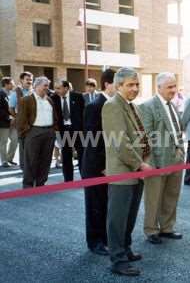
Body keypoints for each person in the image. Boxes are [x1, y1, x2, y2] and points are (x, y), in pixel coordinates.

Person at [102, 68, 152, 277]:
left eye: (137, 84)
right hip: (123, 171)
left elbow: (141, 137)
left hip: (136, 170)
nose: (134, 88)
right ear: (118, 85)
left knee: (130, 216)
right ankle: (118, 260)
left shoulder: (132, 106)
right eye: (130, 85)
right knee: (118, 218)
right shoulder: (112, 106)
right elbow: (119, 142)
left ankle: (126, 248)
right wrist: (140, 165)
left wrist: (144, 162)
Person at [139, 72, 185, 244]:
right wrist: (151, 162)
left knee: (171, 195)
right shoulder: (148, 106)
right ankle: (151, 230)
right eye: (169, 87)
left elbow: (177, 130)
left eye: (174, 86)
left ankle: (167, 227)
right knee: (154, 197)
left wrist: (180, 150)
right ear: (158, 87)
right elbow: (146, 136)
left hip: (176, 159)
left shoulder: (172, 105)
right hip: (157, 161)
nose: (173, 90)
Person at [81, 69, 116, 256]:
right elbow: (92, 141)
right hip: (96, 167)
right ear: (107, 84)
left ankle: (105, 238)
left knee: (106, 205)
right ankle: (95, 242)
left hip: (109, 165)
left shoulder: (112, 105)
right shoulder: (95, 106)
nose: (119, 88)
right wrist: (102, 166)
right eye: (117, 84)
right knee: (95, 206)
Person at [17, 77, 58, 188]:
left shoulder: (49, 100)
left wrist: (54, 130)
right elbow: (21, 119)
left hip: (49, 132)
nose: (47, 88)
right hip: (33, 132)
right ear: (36, 86)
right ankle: (28, 184)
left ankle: (41, 183)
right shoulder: (26, 100)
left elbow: (54, 116)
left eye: (47, 86)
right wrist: (26, 133)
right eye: (45, 85)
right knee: (31, 159)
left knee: (46, 159)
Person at [51, 80, 85, 182]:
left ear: (66, 88)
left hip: (78, 131)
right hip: (63, 131)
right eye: (55, 88)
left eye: (58, 88)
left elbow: (84, 113)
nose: (56, 90)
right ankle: (68, 180)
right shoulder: (54, 99)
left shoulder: (78, 97)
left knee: (82, 155)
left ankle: (85, 178)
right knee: (66, 156)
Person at [9, 71, 33, 170]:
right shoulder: (16, 92)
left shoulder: (34, 91)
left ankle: (31, 164)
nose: (30, 81)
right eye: (27, 79)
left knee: (32, 144)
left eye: (31, 79)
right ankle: (24, 167)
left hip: (33, 122)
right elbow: (11, 108)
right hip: (22, 124)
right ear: (21, 80)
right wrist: (18, 117)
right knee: (23, 144)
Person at [0, 77, 18, 167]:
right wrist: (9, 118)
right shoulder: (0, 93)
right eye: (12, 83)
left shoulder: (12, 93)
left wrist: (15, 117)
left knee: (15, 140)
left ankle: (9, 159)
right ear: (6, 84)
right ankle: (4, 161)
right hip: (3, 122)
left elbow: (14, 106)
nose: (13, 85)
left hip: (13, 122)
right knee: (3, 142)